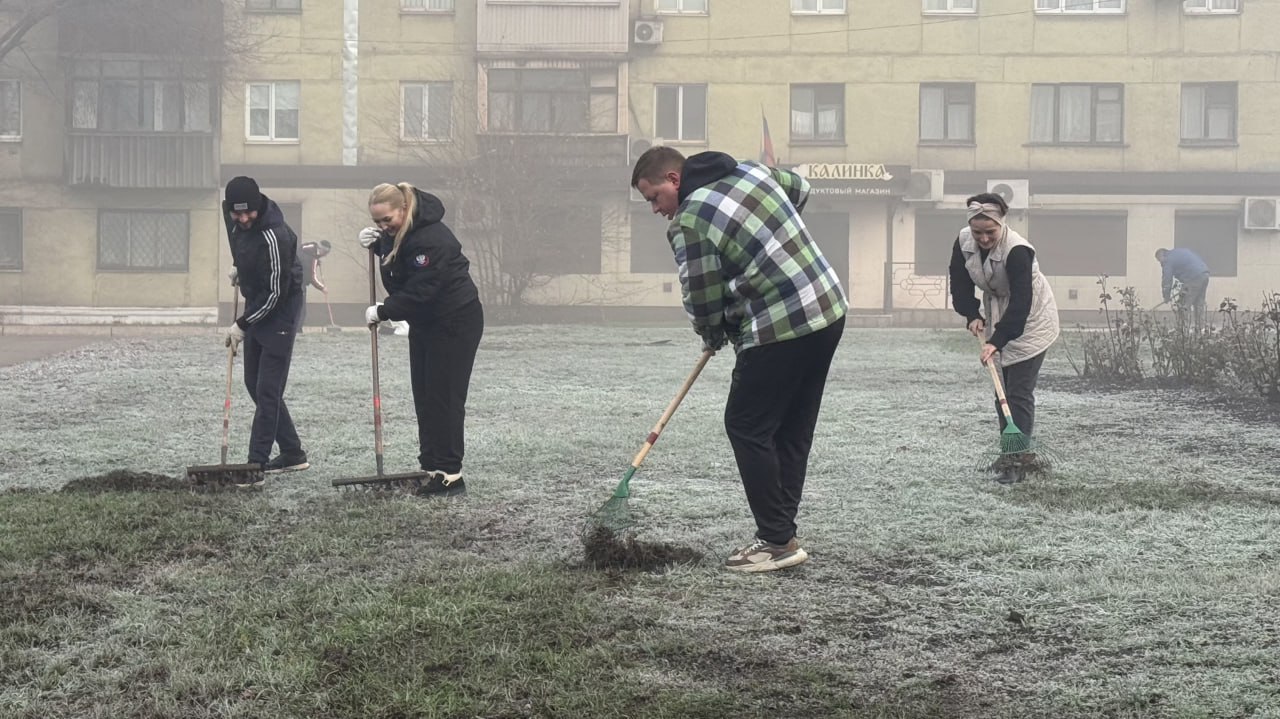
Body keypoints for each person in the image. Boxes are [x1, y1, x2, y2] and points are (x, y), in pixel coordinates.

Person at [631, 146, 847, 574]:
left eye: (654, 197)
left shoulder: (689, 221)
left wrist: (711, 333)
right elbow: (801, 188)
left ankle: (776, 540)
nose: (656, 209)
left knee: (746, 425)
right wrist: (764, 232)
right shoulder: (751, 171)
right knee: (791, 427)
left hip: (780, 326)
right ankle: (782, 533)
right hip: (828, 310)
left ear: (674, 179)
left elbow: (701, 294)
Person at [358, 182, 483, 498]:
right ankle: (430, 466)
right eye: (377, 222)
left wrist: (384, 311)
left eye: (387, 220)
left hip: (455, 321)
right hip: (427, 322)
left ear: (404, 209)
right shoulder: (401, 233)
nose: (383, 226)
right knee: (425, 395)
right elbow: (401, 261)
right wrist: (380, 244)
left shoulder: (432, 238)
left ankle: (450, 474)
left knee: (445, 396)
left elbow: (422, 289)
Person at [948, 193, 1060, 484]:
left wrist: (995, 341)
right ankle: (1009, 453)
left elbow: (1021, 304)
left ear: (1001, 224)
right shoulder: (963, 241)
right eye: (978, 232)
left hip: (1032, 319)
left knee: (1017, 393)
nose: (983, 238)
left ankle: (1017, 462)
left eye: (990, 232)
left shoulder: (1018, 250)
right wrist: (971, 314)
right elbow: (959, 282)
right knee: (1002, 393)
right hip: (998, 313)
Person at [222, 176, 310, 480]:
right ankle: (292, 453)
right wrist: (241, 266)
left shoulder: (275, 236)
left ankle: (255, 465)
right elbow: (239, 242)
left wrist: (242, 324)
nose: (243, 219)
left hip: (280, 310)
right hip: (258, 302)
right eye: (237, 213)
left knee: (268, 390)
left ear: (258, 205)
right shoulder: (233, 219)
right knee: (253, 383)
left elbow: (276, 294)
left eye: (248, 212)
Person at [1155, 247, 1210, 328]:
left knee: (1183, 304)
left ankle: (1183, 329)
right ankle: (1200, 329)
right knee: (1199, 303)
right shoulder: (1176, 253)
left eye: (1159, 260)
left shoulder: (1167, 260)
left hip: (1193, 277)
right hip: (1204, 274)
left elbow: (1167, 279)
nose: (1160, 263)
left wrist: (1166, 296)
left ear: (1162, 256)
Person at [296, 239, 332, 330]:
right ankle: (297, 329)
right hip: (299, 284)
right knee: (301, 308)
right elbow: (312, 278)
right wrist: (322, 288)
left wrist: (317, 261)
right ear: (322, 250)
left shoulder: (306, 249)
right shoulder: (313, 259)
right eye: (326, 253)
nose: (325, 255)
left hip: (290, 280)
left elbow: (302, 252)